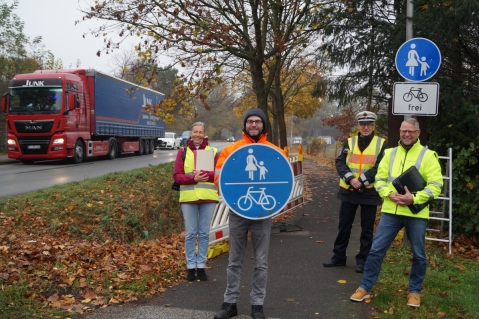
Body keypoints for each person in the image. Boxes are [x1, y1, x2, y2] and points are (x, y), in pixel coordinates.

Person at [350, 118, 443, 308]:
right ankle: (364, 287)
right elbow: (380, 179)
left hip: (416, 213)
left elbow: (436, 186)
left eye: (411, 131)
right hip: (391, 211)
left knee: (418, 254)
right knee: (376, 250)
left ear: (418, 133)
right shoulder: (390, 153)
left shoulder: (428, 155)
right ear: (400, 132)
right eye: (404, 131)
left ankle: (414, 292)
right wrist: (388, 194)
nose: (407, 134)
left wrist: (413, 198)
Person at [213, 108, 285, 319]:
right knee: (234, 260)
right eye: (250, 122)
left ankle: (257, 305)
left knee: (261, 262)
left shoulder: (274, 151)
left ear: (263, 125)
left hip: (262, 214)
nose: (254, 125)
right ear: (245, 125)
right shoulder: (230, 151)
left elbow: (282, 181)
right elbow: (220, 178)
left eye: (258, 122)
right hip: (238, 212)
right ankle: (230, 303)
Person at [323, 111, 388, 273]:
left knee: (366, 228)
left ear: (374, 126)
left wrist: (362, 181)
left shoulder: (382, 144)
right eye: (363, 124)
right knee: (344, 226)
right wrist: (351, 179)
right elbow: (340, 162)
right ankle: (338, 257)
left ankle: (363, 260)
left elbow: (380, 166)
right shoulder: (349, 142)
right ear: (358, 125)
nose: (366, 127)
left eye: (369, 124)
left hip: (369, 191)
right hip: (348, 190)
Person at [173, 122, 219, 282]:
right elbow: (177, 176)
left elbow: (219, 174)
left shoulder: (212, 151)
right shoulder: (183, 152)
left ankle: (201, 265)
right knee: (191, 233)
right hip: (189, 198)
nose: (198, 134)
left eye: (200, 132)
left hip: (208, 197)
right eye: (195, 132)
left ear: (205, 134)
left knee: (204, 233)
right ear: (191, 133)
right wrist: (193, 178)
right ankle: (191, 267)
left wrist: (203, 175)